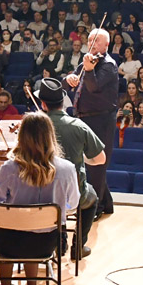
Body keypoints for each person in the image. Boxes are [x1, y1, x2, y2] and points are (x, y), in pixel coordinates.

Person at [0, 112, 79, 285]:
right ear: (50, 136)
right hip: (47, 242)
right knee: (34, 231)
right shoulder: (67, 168)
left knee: (13, 232)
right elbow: (73, 203)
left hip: (10, 242)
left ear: (22, 136)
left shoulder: (10, 167)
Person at [36, 79, 105, 257]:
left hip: (39, 193)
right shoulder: (78, 126)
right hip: (71, 195)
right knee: (91, 197)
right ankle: (78, 246)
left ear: (43, 104)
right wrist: (82, 158)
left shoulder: (33, 128)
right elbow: (100, 159)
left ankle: (59, 242)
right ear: (63, 102)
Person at [65, 28, 119, 218]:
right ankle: (106, 203)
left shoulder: (109, 65)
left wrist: (88, 70)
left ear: (106, 45)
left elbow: (93, 87)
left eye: (96, 41)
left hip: (101, 119)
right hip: (84, 117)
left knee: (97, 163)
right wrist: (68, 79)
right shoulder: (86, 62)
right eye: (89, 40)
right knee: (87, 163)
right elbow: (68, 84)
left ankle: (94, 208)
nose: (92, 43)